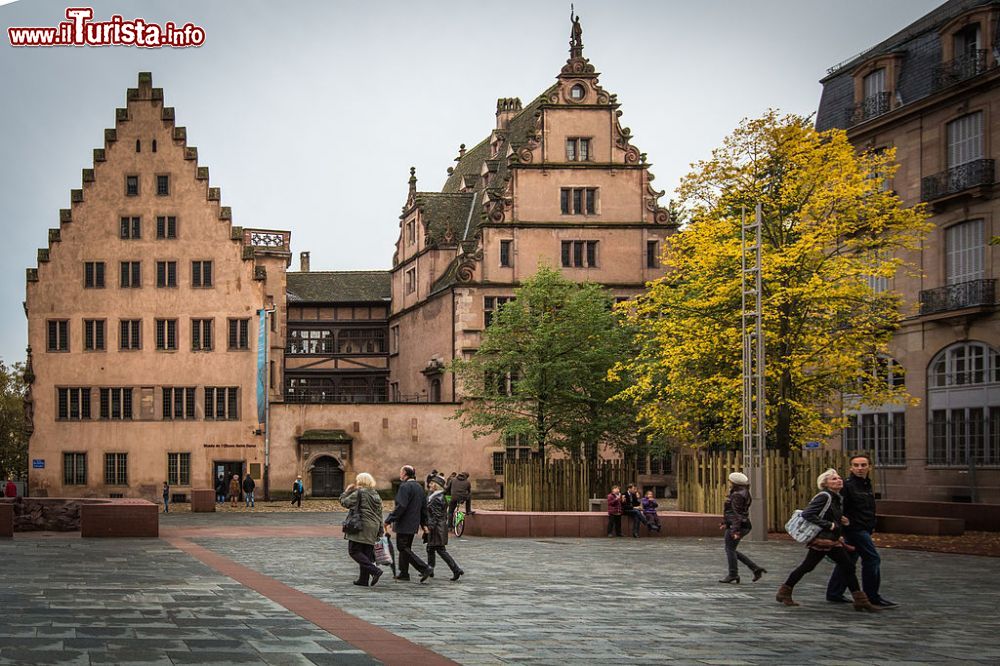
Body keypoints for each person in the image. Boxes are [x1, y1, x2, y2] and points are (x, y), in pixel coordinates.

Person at [776, 468, 881, 612]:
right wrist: (829, 525)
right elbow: (808, 514)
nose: (838, 480)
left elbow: (828, 514)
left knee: (847, 567)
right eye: (834, 479)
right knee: (808, 566)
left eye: (839, 478)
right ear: (825, 484)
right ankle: (784, 591)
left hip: (832, 540)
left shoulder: (837, 497)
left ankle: (861, 600)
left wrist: (840, 520)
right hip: (823, 540)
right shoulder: (825, 496)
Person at [826, 454, 898, 608]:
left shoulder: (866, 484)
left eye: (863, 465)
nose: (860, 468)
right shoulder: (847, 485)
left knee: (848, 561)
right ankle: (871, 596)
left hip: (864, 527)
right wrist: (841, 525)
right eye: (856, 465)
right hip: (854, 529)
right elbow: (837, 506)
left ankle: (834, 593)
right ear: (851, 467)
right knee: (872, 559)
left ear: (869, 467)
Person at [384, 465, 432, 582]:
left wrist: (389, 519)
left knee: (402, 547)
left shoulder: (405, 487)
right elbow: (423, 507)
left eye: (401, 472)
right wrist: (423, 524)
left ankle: (424, 568)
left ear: (405, 474)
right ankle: (404, 573)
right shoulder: (419, 487)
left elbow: (401, 506)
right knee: (406, 547)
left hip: (404, 522)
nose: (400, 474)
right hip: (413, 523)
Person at [339, 472, 386, 587]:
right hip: (373, 526)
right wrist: (380, 528)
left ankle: (375, 571)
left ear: (361, 481)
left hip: (362, 525)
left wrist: (346, 491)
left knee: (354, 551)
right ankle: (363, 580)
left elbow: (345, 502)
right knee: (366, 553)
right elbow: (379, 513)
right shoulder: (376, 494)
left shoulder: (360, 492)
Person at [718, 472, 765, 584]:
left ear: (733, 483)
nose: (728, 482)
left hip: (738, 526)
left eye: (730, 481)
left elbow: (737, 514)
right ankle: (755, 568)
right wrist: (725, 522)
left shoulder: (737, 495)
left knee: (730, 549)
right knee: (731, 549)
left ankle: (733, 574)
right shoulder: (742, 492)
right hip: (738, 524)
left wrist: (735, 530)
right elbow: (732, 512)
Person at [425, 474, 464, 581]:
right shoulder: (434, 496)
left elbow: (436, 515)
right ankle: (430, 570)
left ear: (437, 485)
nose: (430, 485)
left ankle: (456, 569)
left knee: (440, 550)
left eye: (432, 483)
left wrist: (430, 527)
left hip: (437, 528)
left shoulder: (438, 498)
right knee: (430, 549)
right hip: (438, 527)